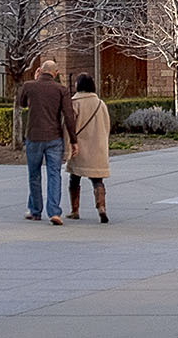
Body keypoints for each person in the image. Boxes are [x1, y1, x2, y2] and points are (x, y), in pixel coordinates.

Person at [16, 60, 78, 225]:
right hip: (54, 137)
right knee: (54, 174)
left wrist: (34, 80)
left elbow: (21, 103)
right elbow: (69, 116)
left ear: (39, 71)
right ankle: (54, 212)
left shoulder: (29, 86)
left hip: (34, 137)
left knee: (34, 174)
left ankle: (35, 211)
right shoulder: (61, 90)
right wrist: (73, 140)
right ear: (55, 73)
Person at [66, 73, 112, 222]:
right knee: (97, 180)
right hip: (97, 147)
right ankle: (101, 207)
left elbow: (69, 125)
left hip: (79, 146)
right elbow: (107, 126)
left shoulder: (74, 103)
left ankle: (75, 210)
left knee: (74, 178)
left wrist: (68, 145)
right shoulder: (100, 103)